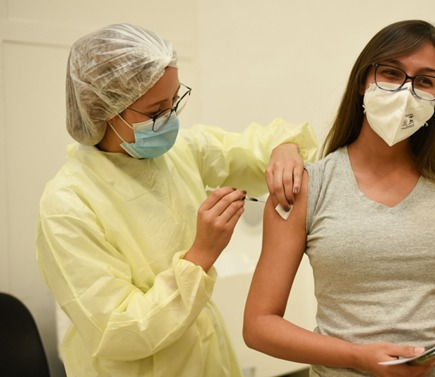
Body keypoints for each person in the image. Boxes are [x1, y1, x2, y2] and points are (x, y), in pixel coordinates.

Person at [35, 23, 317, 377]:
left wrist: (285, 149)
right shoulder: (68, 205)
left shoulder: (180, 152)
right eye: (155, 112)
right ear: (103, 110)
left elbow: (258, 146)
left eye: (174, 102)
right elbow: (118, 331)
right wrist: (201, 255)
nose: (170, 120)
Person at [243, 19, 435, 377]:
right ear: (362, 82)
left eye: (425, 81)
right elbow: (259, 326)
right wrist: (357, 357)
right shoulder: (305, 186)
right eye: (390, 73)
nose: (406, 92)